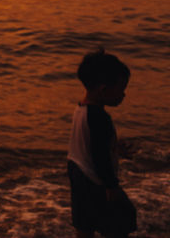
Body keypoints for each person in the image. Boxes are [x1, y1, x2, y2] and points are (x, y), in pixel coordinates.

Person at [67, 48, 137, 238]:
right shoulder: (100, 117)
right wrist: (111, 186)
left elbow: (88, 144)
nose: (123, 95)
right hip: (95, 180)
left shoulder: (81, 109)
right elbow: (99, 156)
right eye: (121, 89)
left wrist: (114, 148)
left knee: (85, 225)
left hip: (78, 174)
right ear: (104, 89)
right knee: (121, 221)